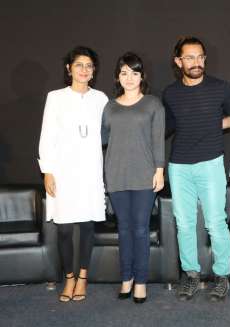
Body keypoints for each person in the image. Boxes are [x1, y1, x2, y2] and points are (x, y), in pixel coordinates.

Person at [162, 36, 230, 302]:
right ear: (178, 61)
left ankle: (221, 276)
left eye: (200, 57)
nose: (196, 63)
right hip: (179, 166)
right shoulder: (170, 93)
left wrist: (212, 125)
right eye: (189, 57)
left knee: (216, 222)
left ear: (205, 59)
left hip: (210, 164)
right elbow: (166, 128)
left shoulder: (220, 88)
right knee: (184, 224)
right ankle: (191, 275)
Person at [38, 46, 108, 302]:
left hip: (90, 170)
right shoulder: (55, 97)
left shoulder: (100, 98)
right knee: (65, 228)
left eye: (89, 66)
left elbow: (110, 133)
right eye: (79, 65)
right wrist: (48, 171)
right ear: (69, 69)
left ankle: (83, 276)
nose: (84, 70)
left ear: (94, 71)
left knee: (88, 226)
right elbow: (47, 135)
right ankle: (68, 277)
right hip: (64, 170)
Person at [102, 52, 165, 304]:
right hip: (116, 175)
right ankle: (125, 278)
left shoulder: (152, 104)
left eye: (134, 73)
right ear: (118, 76)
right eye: (124, 73)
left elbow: (158, 139)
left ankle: (141, 281)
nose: (129, 78)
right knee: (123, 230)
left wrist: (159, 170)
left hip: (144, 176)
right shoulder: (109, 107)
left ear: (142, 76)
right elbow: (103, 140)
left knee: (140, 230)